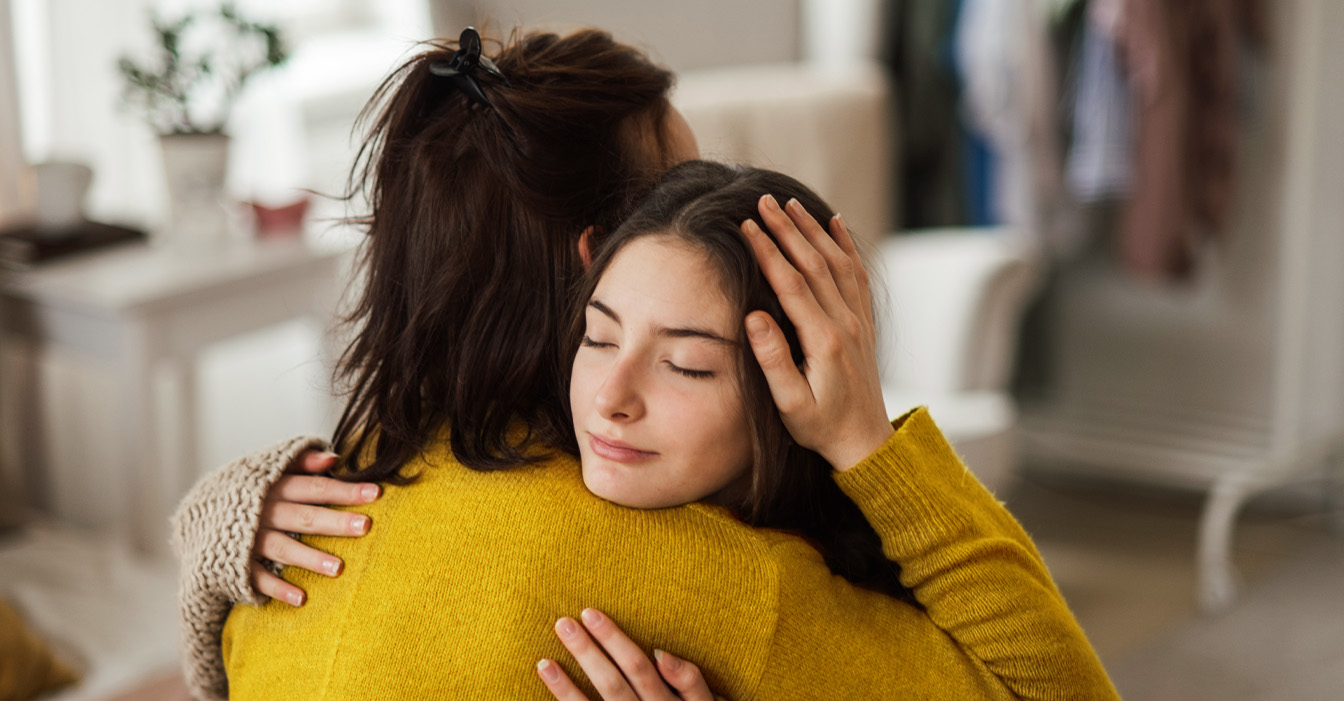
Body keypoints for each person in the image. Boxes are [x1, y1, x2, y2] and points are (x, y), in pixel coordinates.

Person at [175, 28, 1118, 701]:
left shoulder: (332, 483)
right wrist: (872, 444)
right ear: (600, 255)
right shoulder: (700, 581)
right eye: (673, 191)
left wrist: (204, 527)